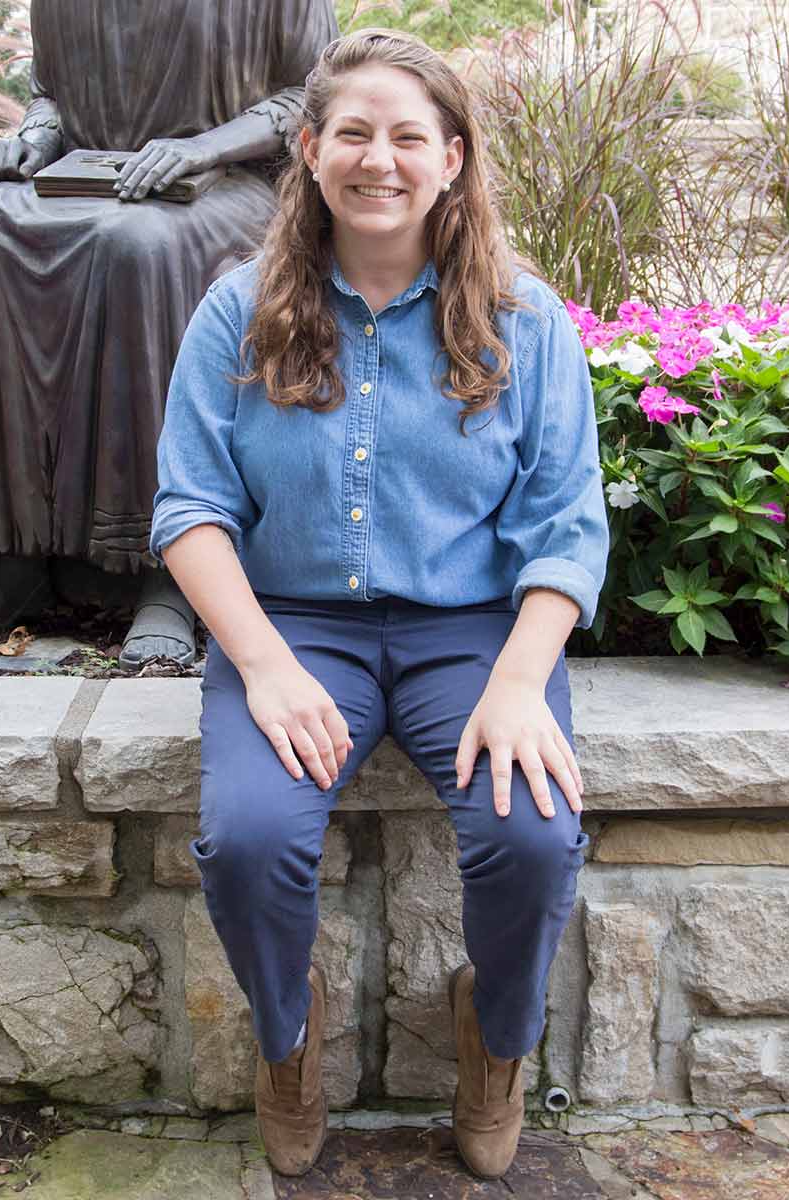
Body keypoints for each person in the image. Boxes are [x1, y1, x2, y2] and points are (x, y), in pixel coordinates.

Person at [150, 28, 608, 1181]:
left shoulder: (528, 321)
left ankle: (496, 1041)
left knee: (532, 838)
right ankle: (287, 1037)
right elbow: (190, 509)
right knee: (250, 840)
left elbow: (565, 526)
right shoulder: (235, 313)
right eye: (353, 132)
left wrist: (515, 684)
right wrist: (258, 660)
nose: (379, 159)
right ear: (308, 150)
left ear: (452, 158)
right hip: (296, 628)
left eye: (410, 136)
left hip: (472, 636)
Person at [0, 0, 338, 669]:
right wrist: (34, 138)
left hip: (235, 185)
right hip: (90, 178)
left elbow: (309, 95)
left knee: (138, 246)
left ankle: (168, 573)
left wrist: (204, 146)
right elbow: (51, 95)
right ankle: (14, 555)